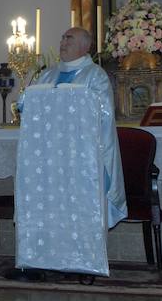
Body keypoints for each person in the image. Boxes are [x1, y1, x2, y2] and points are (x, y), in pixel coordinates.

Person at [29, 27, 127, 229]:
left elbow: (103, 113)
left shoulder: (96, 76)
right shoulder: (47, 76)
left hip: (83, 156)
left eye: (69, 38)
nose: (63, 42)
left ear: (84, 46)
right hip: (51, 157)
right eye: (62, 37)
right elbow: (31, 107)